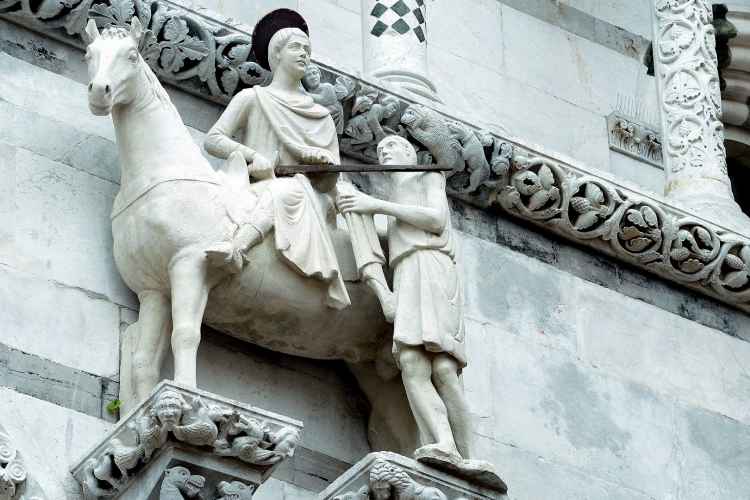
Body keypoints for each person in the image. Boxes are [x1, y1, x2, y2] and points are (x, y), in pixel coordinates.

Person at [203, 9, 391, 314]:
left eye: (308, 50)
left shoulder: (321, 117)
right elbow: (214, 139)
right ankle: (235, 245)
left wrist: (323, 166)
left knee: (292, 191)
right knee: (276, 191)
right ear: (276, 55)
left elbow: (331, 185)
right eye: (296, 48)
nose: (304, 54)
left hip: (308, 196)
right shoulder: (254, 98)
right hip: (253, 183)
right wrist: (254, 157)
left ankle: (239, 248)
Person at [337, 135, 471, 463]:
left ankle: (467, 458)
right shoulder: (395, 195)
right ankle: (442, 444)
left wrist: (375, 205)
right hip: (407, 271)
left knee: (442, 368)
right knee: (411, 362)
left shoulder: (428, 176)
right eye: (381, 147)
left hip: (432, 266)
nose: (384, 149)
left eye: (392, 146)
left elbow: (435, 219)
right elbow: (395, 235)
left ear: (410, 151)